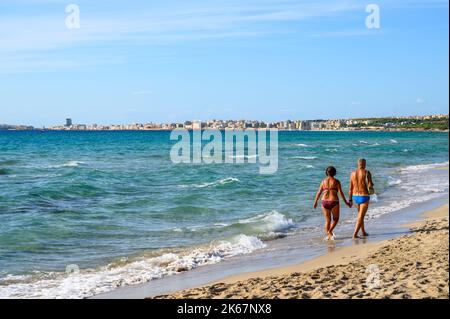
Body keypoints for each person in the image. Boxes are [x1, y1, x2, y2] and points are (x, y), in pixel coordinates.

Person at [313, 166, 350, 240]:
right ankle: (330, 231)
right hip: (334, 201)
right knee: (336, 219)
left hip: (324, 201)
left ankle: (328, 236)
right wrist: (346, 202)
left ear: (327, 172)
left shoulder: (323, 181)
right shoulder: (336, 181)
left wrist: (315, 201)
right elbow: (340, 193)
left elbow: (319, 192)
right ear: (335, 172)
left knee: (328, 220)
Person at [349, 158, 375, 239]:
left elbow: (350, 188)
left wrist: (350, 199)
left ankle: (363, 231)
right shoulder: (367, 172)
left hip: (355, 196)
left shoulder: (352, 173)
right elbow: (370, 185)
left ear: (358, 164)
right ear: (364, 164)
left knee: (360, 215)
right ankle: (355, 234)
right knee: (360, 216)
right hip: (364, 196)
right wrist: (371, 185)